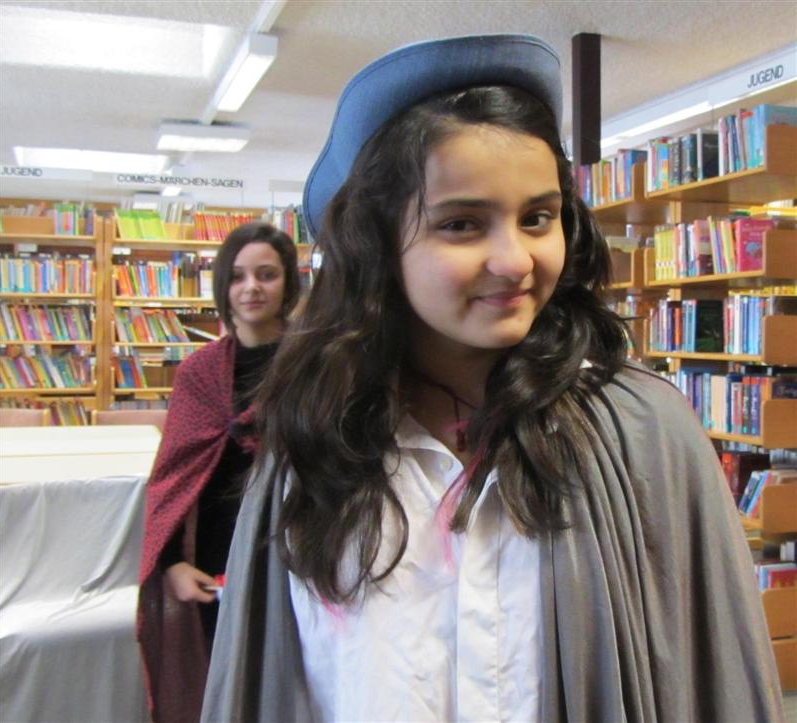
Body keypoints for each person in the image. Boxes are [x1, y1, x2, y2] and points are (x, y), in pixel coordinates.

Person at [202, 35, 784, 723]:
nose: (514, 260)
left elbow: (714, 676)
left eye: (537, 218)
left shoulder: (645, 432)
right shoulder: (312, 445)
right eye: (461, 224)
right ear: (375, 242)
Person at [137, 221, 300, 723]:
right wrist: (171, 565)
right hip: (218, 555)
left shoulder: (314, 364)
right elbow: (173, 474)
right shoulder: (199, 373)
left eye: (267, 274)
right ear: (223, 286)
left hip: (301, 549)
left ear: (288, 283)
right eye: (238, 276)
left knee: (298, 679)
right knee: (226, 677)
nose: (252, 288)